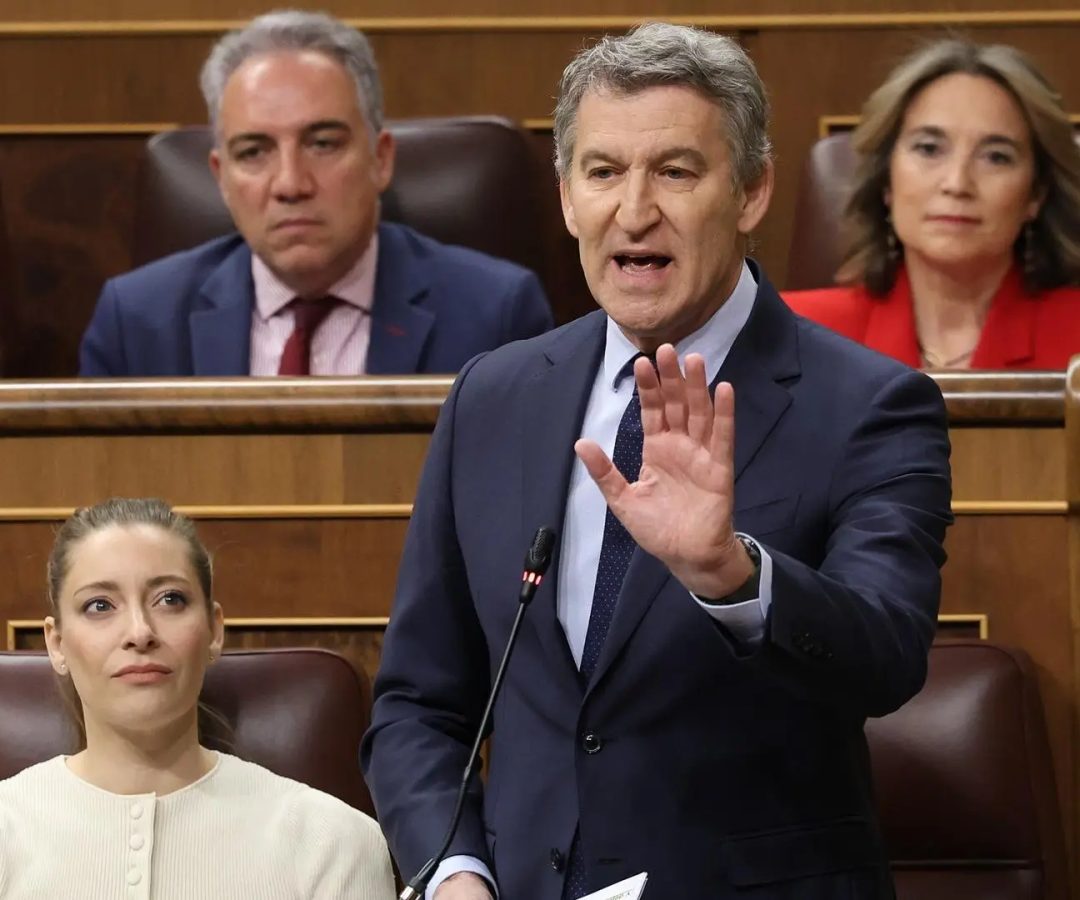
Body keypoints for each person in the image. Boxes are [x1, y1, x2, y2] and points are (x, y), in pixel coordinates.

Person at [362, 22, 952, 900]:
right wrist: (454, 870)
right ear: (567, 198)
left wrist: (728, 574)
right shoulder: (495, 396)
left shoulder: (871, 405)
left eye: (676, 171)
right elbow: (417, 706)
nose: (634, 211)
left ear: (752, 191)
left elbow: (887, 657)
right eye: (603, 172)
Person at [79, 10, 553, 377]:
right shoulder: (136, 322)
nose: (291, 184)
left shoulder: (496, 315)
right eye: (254, 151)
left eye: (322, 144)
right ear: (221, 177)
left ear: (380, 159)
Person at [0, 498, 395, 899]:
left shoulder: (331, 843)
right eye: (99, 605)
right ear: (57, 644)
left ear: (214, 629)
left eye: (170, 599)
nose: (140, 631)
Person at [784, 39, 1080, 369]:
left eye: (996, 157)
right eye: (928, 149)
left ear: (1036, 194)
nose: (957, 184)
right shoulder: (791, 332)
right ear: (886, 180)